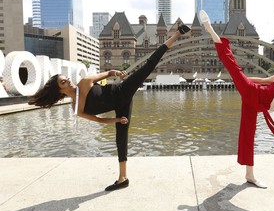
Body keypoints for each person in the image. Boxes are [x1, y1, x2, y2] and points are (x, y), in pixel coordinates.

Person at [28, 24, 191, 191]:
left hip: (122, 90)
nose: (68, 81)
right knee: (121, 139)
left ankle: (178, 33)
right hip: (120, 108)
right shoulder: (76, 108)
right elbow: (98, 119)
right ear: (60, 90)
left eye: (66, 78)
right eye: (63, 82)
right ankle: (123, 178)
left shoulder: (84, 83)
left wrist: (117, 73)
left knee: (149, 65)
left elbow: (106, 73)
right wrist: (117, 119)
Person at [199, 10, 274, 189]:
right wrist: (242, 81)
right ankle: (210, 29)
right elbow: (263, 81)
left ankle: (250, 175)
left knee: (248, 137)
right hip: (252, 91)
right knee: (232, 65)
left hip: (259, 106)